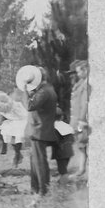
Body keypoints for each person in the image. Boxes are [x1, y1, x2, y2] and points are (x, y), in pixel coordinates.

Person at [19, 65, 60, 197]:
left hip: (39, 130)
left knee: (40, 162)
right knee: (35, 161)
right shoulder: (45, 89)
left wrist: (24, 90)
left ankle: (43, 190)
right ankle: (35, 188)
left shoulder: (44, 91)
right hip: (39, 129)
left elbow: (30, 106)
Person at [69, 59, 90, 176]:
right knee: (80, 145)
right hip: (77, 119)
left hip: (82, 120)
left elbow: (85, 103)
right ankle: (81, 169)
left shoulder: (87, 84)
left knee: (84, 143)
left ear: (85, 70)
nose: (77, 74)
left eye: (78, 72)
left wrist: (82, 120)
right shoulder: (80, 83)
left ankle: (84, 170)